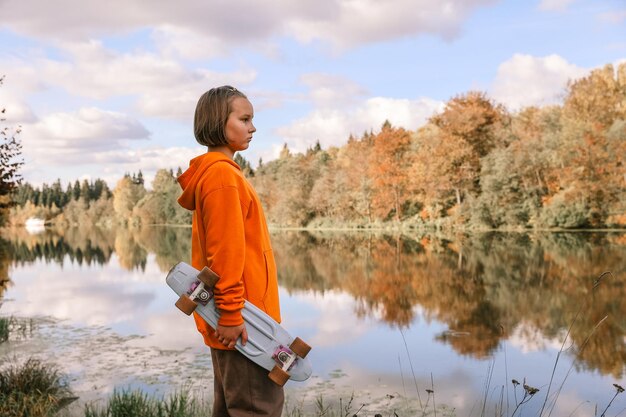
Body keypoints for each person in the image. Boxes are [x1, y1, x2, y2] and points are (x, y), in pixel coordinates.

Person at [177, 86, 284, 417]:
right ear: (218, 122)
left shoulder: (220, 174)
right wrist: (232, 314)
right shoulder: (222, 176)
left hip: (239, 318)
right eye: (245, 119)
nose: (253, 127)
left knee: (232, 409)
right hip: (245, 323)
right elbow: (225, 254)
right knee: (256, 409)